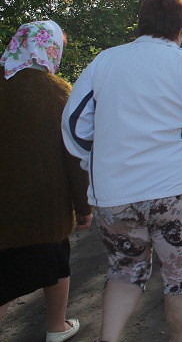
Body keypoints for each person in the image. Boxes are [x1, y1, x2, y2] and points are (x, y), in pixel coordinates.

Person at [61, 0, 182, 342]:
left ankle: (109, 339)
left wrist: (103, 155)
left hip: (113, 193)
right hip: (173, 191)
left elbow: (74, 127)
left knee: (123, 272)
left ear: (141, 24)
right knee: (181, 278)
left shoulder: (104, 62)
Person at [0, 20, 92, 342]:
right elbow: (75, 157)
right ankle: (57, 326)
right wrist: (84, 207)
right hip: (46, 210)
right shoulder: (59, 92)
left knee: (3, 279)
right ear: (49, 49)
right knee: (56, 266)